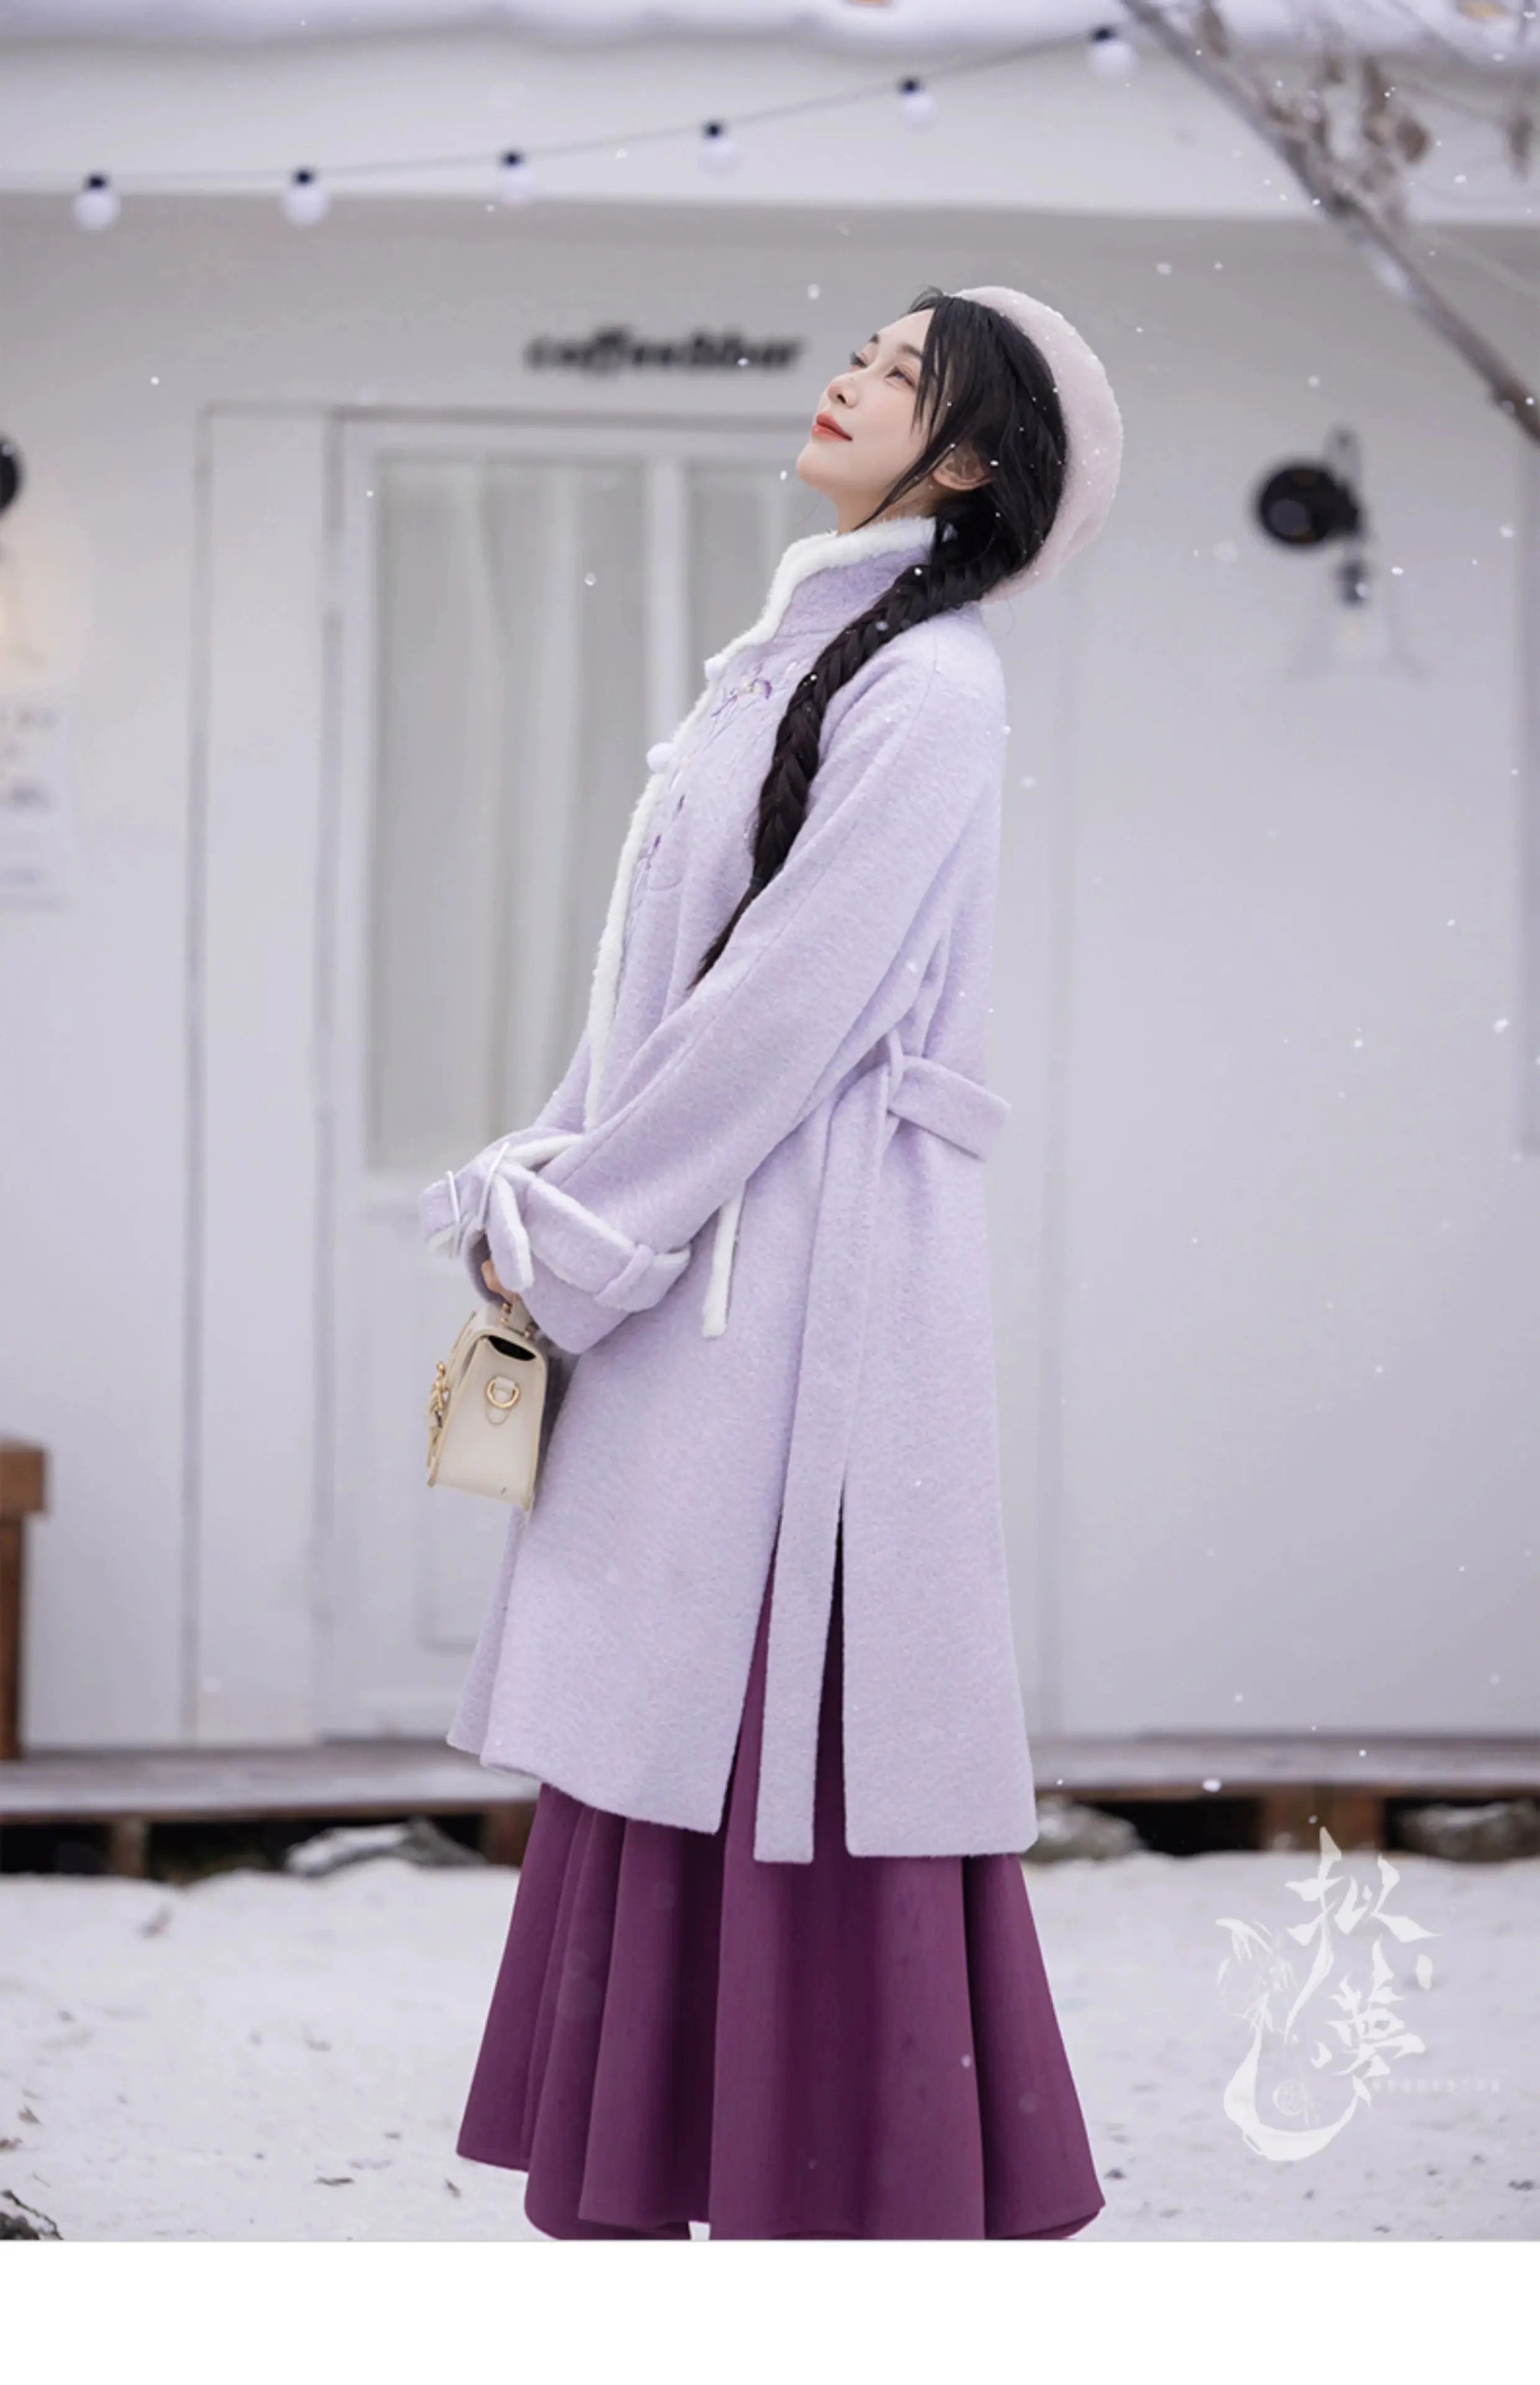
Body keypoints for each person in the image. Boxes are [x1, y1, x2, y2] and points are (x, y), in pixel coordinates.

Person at [419, 283, 1123, 2240]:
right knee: (673, 1696)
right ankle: (685, 2156)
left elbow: (791, 1006)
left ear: (970, 461)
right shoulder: (782, 657)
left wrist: (591, 1225)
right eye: (869, 346)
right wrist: (551, 1154)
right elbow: (656, 978)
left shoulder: (935, 682)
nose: (853, 375)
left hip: (813, 1277)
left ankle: (835, 2166)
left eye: (906, 375)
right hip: (704, 1245)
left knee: (794, 1702)